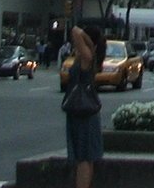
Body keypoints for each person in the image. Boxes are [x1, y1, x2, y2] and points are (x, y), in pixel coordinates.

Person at [65, 24, 104, 188]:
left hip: (83, 113)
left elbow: (74, 31)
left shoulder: (87, 56)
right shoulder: (88, 57)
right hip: (83, 112)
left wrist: (84, 36)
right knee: (85, 157)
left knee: (83, 158)